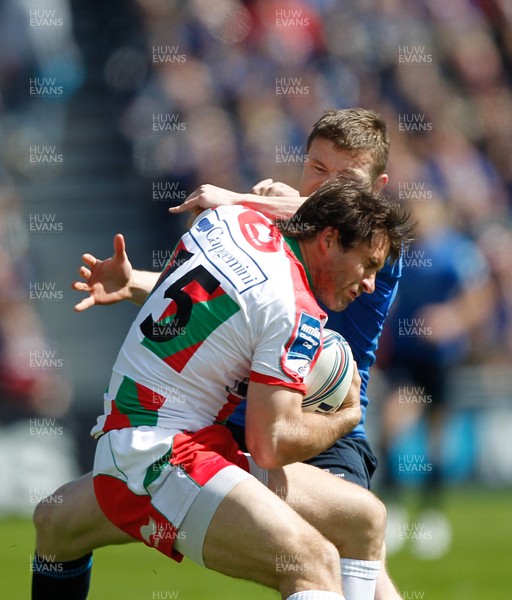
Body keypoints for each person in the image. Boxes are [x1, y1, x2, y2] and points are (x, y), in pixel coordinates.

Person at [33, 109, 405, 598]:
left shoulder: (233, 221)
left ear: (374, 186)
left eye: (346, 179)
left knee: (363, 518)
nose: (325, 190)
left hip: (240, 424)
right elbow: (271, 440)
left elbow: (221, 292)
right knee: (313, 563)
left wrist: (238, 198)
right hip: (188, 440)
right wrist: (350, 412)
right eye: (317, 170)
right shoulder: (296, 305)